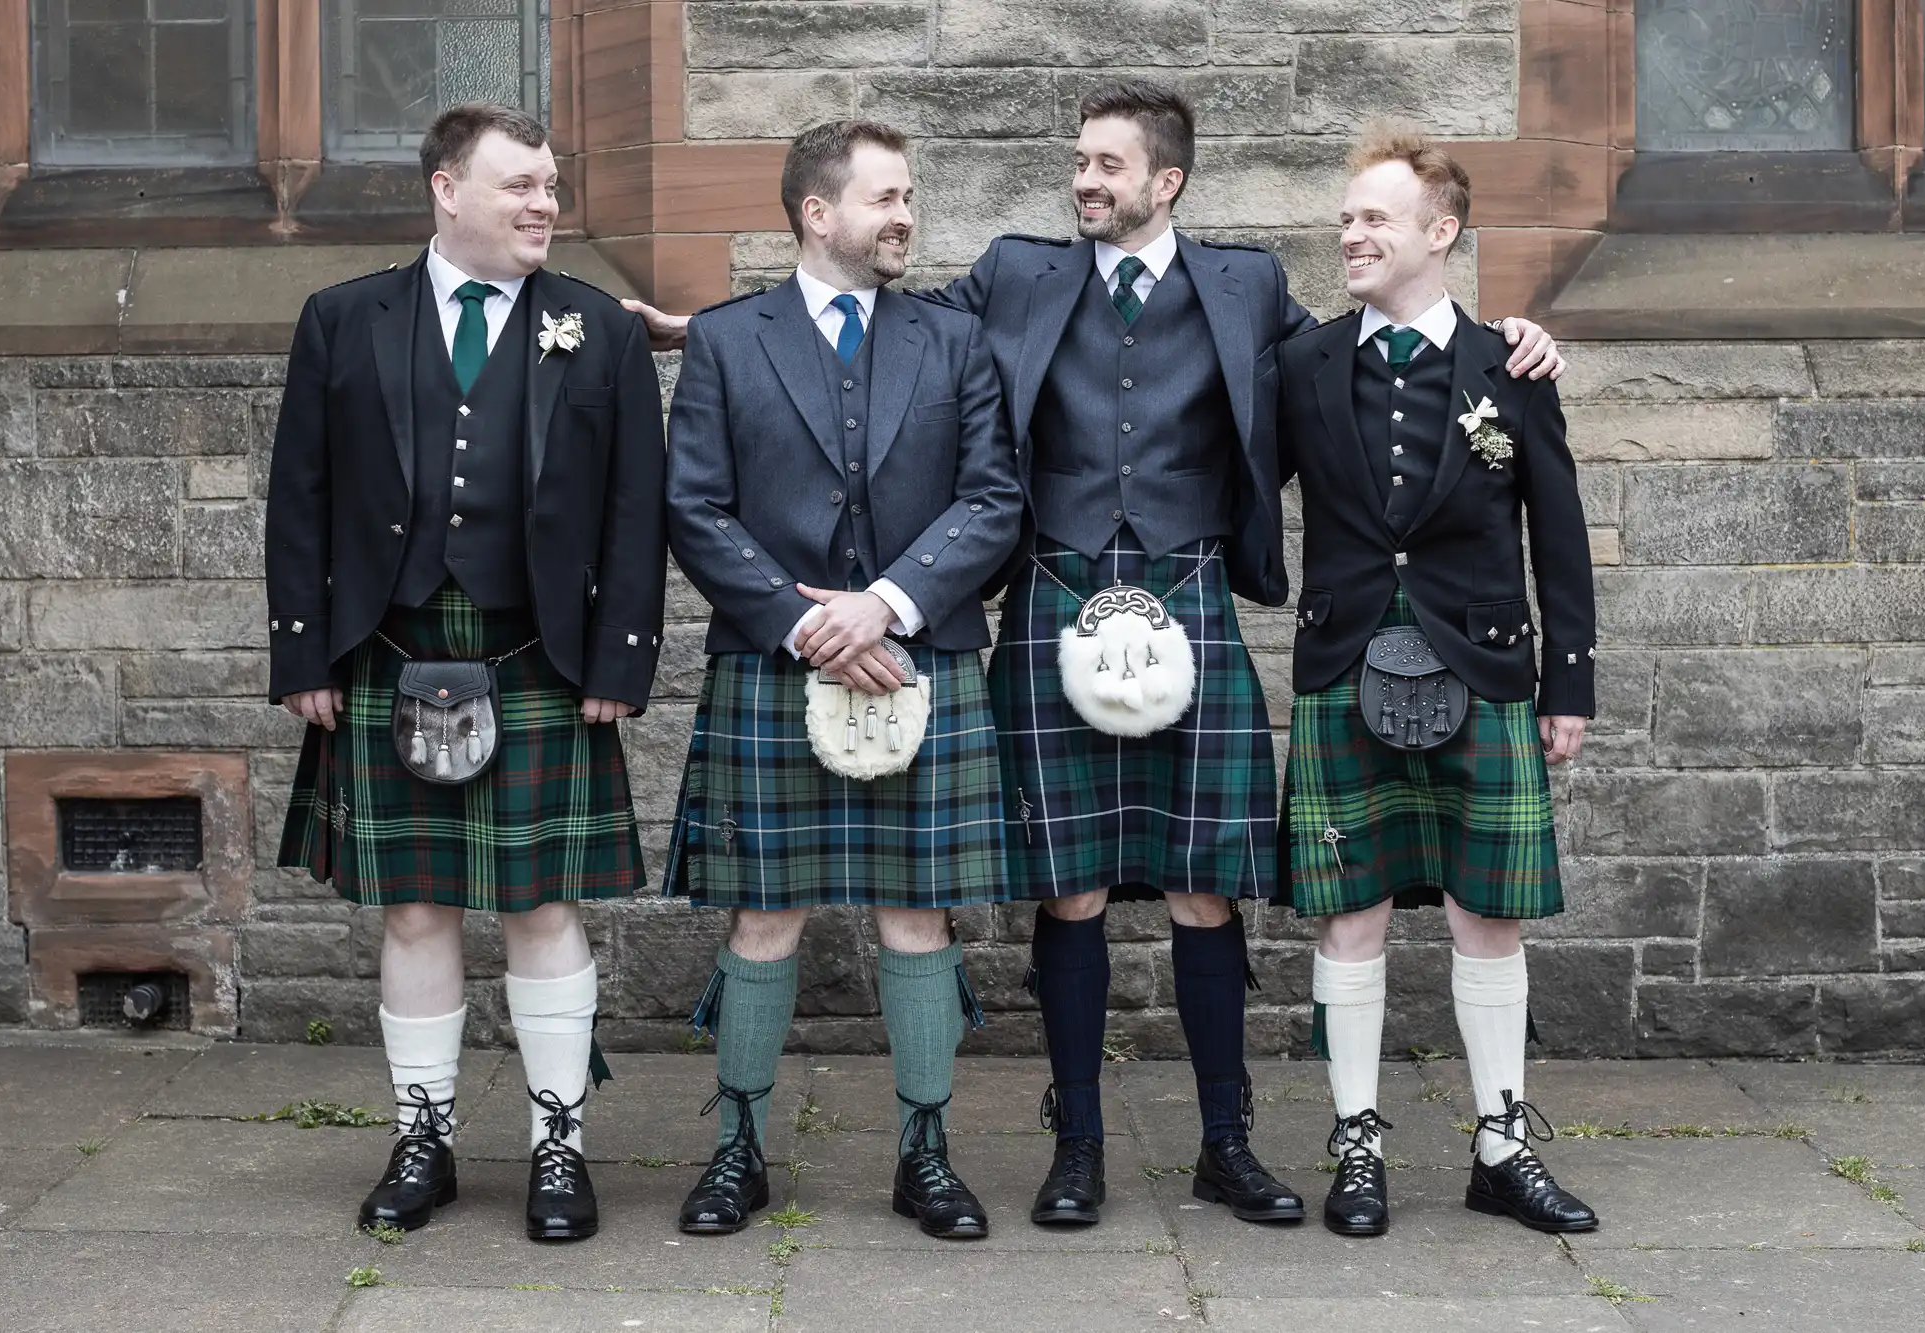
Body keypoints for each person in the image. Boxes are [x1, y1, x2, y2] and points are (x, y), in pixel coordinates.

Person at [625, 80, 1564, 1230]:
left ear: (1164, 182)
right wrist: (710, 325)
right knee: (1066, 889)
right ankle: (1074, 1150)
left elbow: (1354, 365)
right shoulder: (1017, 275)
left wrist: (1504, 338)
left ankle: (1226, 1143)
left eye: (1105, 166)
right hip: (1055, 597)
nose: (1083, 179)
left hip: (1189, 594)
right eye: (1079, 162)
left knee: (1202, 886)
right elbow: (870, 321)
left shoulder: (1245, 283)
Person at [267, 102, 667, 1243]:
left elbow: (638, 513)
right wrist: (306, 650)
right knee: (414, 909)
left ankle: (557, 1148)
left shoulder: (597, 328)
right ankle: (423, 1142)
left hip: (536, 651)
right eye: (521, 184)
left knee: (542, 905)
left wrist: (618, 659)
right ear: (447, 190)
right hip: (389, 647)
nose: (546, 202)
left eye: (552, 184)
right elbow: (299, 494)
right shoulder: (344, 319)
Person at [661, 120, 1023, 1240]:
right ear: (817, 212)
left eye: (908, 195)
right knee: (764, 910)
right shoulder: (726, 339)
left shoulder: (953, 342)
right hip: (777, 664)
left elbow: (992, 496)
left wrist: (886, 604)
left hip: (920, 653)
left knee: (917, 912)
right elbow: (694, 506)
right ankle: (737, 1150)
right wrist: (805, 624)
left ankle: (925, 1152)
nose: (905, 214)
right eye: (884, 197)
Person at [1274, 120, 1598, 1239]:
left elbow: (1558, 535)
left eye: (1372, 218)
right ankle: (1356, 1147)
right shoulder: (1306, 361)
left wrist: (1568, 687)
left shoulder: (1506, 363)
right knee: (1346, 914)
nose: (1350, 234)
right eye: (1348, 217)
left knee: (1487, 914)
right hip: (1342, 657)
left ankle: (1501, 1147)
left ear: (1438, 232)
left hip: (1485, 664)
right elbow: (1230, 483)